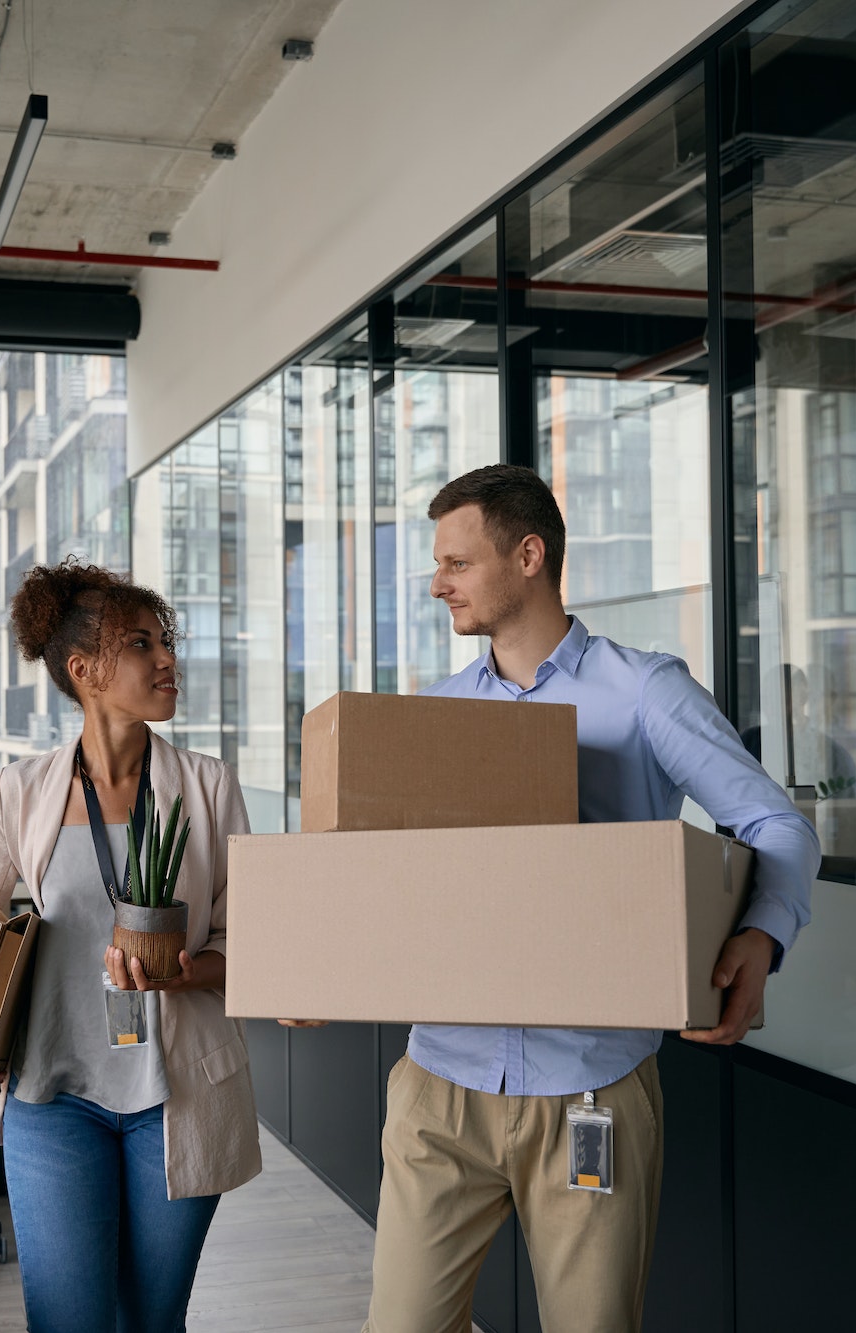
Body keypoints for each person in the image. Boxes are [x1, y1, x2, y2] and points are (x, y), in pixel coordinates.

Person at [340, 465, 820, 1332]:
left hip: (589, 1083)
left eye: (456, 561)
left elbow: (775, 824)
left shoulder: (644, 691)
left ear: (530, 555)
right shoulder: (437, 710)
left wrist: (760, 937)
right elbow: (389, 883)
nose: (437, 582)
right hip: (440, 1084)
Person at [0, 560, 261, 1332]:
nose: (167, 658)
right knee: (68, 1321)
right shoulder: (23, 789)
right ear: (84, 671)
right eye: (142, 643)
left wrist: (187, 971)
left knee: (152, 1320)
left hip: (179, 1093)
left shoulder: (207, 786)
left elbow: (253, 938)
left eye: (166, 640)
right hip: (52, 1095)